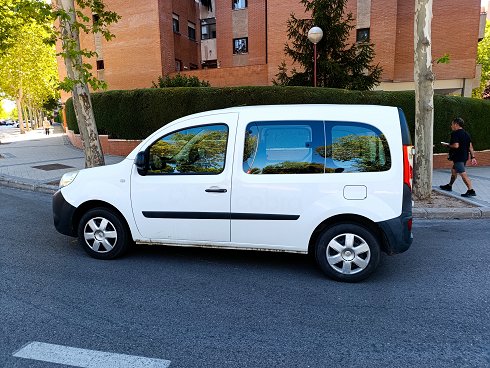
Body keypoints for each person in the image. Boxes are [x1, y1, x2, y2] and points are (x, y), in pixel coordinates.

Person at [439, 117, 478, 197]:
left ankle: (471, 190)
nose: (451, 126)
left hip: (458, 157)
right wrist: (473, 157)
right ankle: (449, 186)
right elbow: (470, 146)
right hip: (464, 156)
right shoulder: (466, 134)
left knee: (463, 174)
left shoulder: (455, 133)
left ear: (456, 124)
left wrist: (447, 145)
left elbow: (456, 146)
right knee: (454, 171)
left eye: (452, 124)